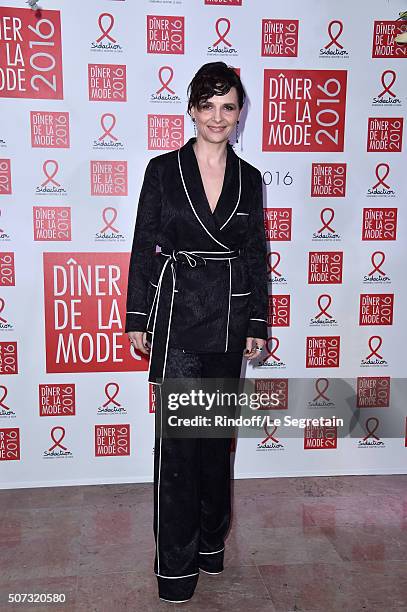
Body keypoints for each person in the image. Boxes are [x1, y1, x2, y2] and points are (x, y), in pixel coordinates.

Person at [125, 61, 269, 603]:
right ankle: (176, 569)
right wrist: (138, 315)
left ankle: (212, 544)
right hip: (178, 322)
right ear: (190, 111)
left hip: (231, 322)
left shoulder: (250, 180)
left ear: (238, 114)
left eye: (227, 106)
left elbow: (255, 254)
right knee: (179, 452)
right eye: (207, 106)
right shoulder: (163, 171)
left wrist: (258, 320)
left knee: (214, 445)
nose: (217, 116)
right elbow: (143, 245)